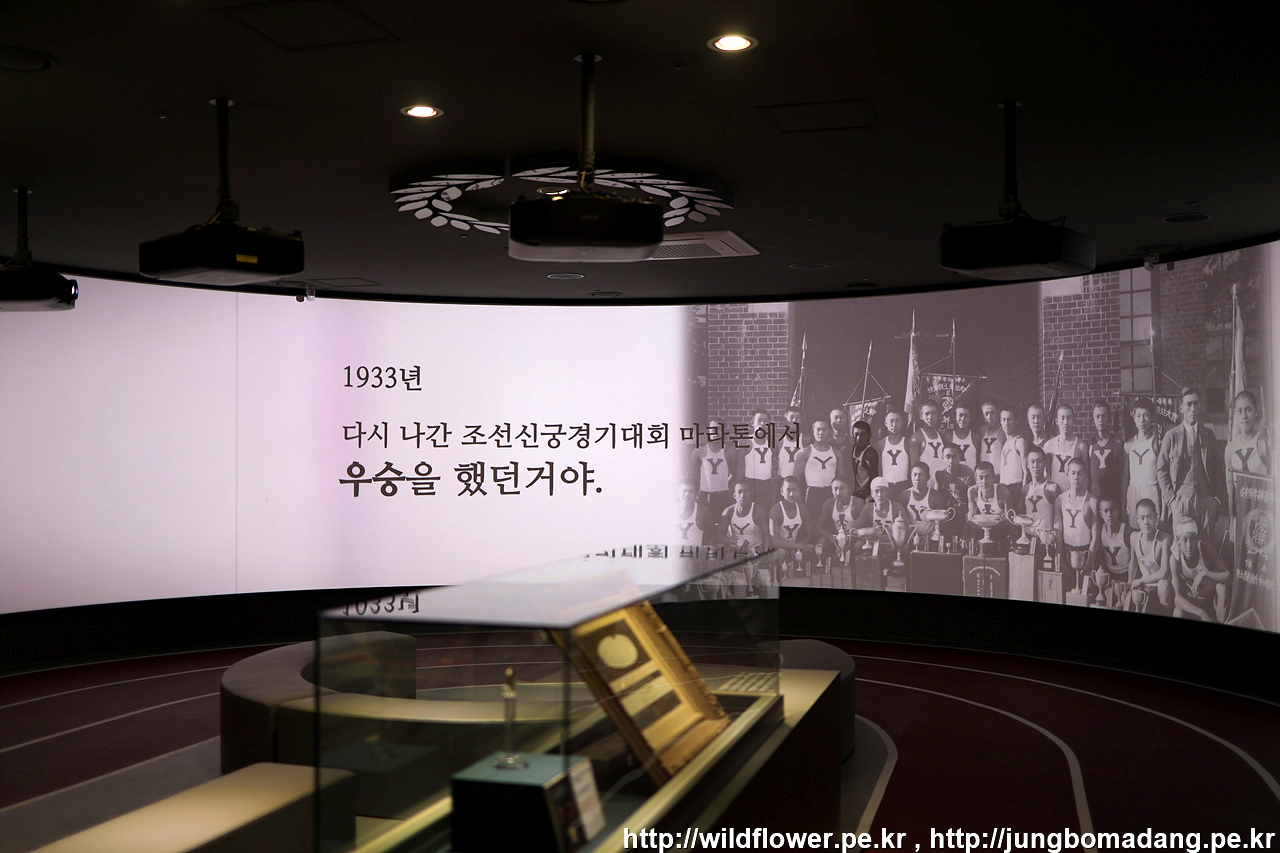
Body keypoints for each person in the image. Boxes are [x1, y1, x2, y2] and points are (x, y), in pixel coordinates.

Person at [1156, 387, 1225, 536]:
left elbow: (1218, 470)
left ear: (1200, 406)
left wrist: (1216, 500)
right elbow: (1161, 470)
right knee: (1182, 543)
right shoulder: (1171, 436)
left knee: (1206, 543)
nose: (1192, 409)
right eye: (1188, 404)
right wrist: (1171, 499)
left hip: (1206, 500)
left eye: (1196, 404)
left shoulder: (1208, 435)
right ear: (1181, 408)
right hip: (1181, 500)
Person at [1169, 517, 1231, 622]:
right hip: (1193, 601)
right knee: (1178, 612)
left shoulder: (1204, 548)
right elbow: (1177, 598)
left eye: (1192, 539)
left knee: (1221, 588)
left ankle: (1221, 621)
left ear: (1197, 539)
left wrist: (1205, 573)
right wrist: (1201, 613)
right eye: (1185, 540)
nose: (1189, 545)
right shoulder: (1175, 559)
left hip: (1210, 598)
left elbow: (1227, 575)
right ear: (1178, 541)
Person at [689, 418, 741, 539]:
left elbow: (735, 473)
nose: (716, 432)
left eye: (719, 429)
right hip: (704, 497)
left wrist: (728, 487)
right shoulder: (699, 451)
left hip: (723, 497)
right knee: (706, 532)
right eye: (713, 429)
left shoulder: (729, 451)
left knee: (721, 532)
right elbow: (693, 475)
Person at [1054, 457, 1098, 592]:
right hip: (1066, 553)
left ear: (1085, 476)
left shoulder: (1092, 501)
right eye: (1073, 473)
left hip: (1085, 554)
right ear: (1067, 475)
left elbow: (1095, 537)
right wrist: (1060, 559)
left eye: (1080, 473)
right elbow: (1057, 533)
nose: (1076, 477)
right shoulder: (1060, 500)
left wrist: (1089, 563)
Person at [1225, 389, 1270, 520]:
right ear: (1235, 415)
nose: (1244, 415)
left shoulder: (1264, 444)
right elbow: (1230, 486)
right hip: (1240, 512)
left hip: (1262, 512)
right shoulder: (1230, 448)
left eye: (1248, 410)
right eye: (1239, 411)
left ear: (1256, 412)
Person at [1122, 397, 1163, 525]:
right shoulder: (1128, 445)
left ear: (1152, 417)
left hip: (1151, 491)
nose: (1142, 420)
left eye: (1146, 415)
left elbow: (1163, 477)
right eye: (1138, 416)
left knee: (1152, 528)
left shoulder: (1157, 444)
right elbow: (1125, 477)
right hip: (1134, 492)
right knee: (1135, 528)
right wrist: (1123, 502)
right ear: (1134, 418)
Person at [795, 420, 847, 519]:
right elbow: (797, 477)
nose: (821, 432)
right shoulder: (805, 452)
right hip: (812, 493)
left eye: (824, 429)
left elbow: (842, 478)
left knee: (829, 522)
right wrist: (798, 499)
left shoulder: (836, 453)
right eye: (818, 429)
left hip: (830, 492)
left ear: (829, 431)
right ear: (813, 431)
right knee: (812, 522)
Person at [1127, 498, 1172, 611]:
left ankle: (1164, 611)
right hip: (1144, 584)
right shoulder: (1134, 537)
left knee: (1163, 585)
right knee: (1127, 596)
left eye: (1150, 517)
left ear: (1156, 517)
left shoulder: (1164, 539)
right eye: (1142, 518)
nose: (1146, 522)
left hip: (1160, 585)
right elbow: (1133, 562)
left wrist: (1141, 581)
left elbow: (1164, 572)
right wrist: (1130, 580)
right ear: (1137, 519)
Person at [770, 476, 817, 573]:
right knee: (780, 553)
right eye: (788, 490)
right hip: (780, 548)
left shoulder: (802, 509)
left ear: (799, 491)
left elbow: (809, 535)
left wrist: (800, 546)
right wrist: (797, 546)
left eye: (795, 490)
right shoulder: (776, 510)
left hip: (795, 546)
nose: (791, 494)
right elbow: (774, 541)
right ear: (782, 491)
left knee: (812, 549)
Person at [1093, 496, 1131, 608]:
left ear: (1118, 511)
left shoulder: (1127, 532)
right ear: (1101, 513)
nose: (1109, 514)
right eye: (1106, 511)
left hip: (1125, 575)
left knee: (1124, 601)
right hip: (1110, 576)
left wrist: (1130, 581)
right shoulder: (1100, 530)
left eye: (1112, 510)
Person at [1043, 404, 1089, 495]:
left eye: (1069, 418)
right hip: (1054, 496)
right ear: (1057, 421)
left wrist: (1081, 498)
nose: (1066, 422)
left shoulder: (1081, 446)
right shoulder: (1049, 445)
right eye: (1062, 418)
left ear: (1073, 420)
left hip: (1074, 495)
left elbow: (1086, 476)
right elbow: (1046, 475)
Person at [967, 461, 1013, 547]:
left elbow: (1009, 518)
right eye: (980, 478)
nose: (984, 481)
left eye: (987, 477)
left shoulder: (1003, 492)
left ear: (993, 478)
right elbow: (971, 516)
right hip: (982, 530)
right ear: (976, 479)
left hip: (1000, 530)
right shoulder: (972, 491)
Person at [1088, 401, 1124, 507]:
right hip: (1095, 499)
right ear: (1093, 419)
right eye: (1097, 416)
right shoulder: (1090, 444)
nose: (1100, 420)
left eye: (1103, 416)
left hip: (1113, 500)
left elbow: (1122, 474)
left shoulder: (1117, 443)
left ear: (1108, 418)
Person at [934, 444, 972, 539]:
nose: (951, 461)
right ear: (942, 457)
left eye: (954, 457)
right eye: (948, 457)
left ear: (960, 457)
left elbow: (973, 502)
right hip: (948, 510)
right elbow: (936, 497)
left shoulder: (968, 474)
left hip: (964, 511)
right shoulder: (939, 474)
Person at [722, 481, 771, 554]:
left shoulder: (758, 511)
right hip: (736, 550)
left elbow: (767, 536)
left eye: (746, 492)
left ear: (751, 494)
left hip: (756, 550)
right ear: (734, 495)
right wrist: (733, 541)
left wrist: (765, 552)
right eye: (739, 492)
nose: (742, 495)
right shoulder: (729, 511)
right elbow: (719, 536)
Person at [903, 461, 947, 540]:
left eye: (921, 475)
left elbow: (941, 521)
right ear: (911, 476)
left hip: (930, 537)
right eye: (915, 475)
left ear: (928, 477)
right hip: (911, 537)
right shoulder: (904, 495)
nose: (917, 478)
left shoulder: (935, 496)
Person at [1022, 446, 1060, 535]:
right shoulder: (1025, 489)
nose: (1035, 466)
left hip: (1047, 538)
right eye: (1032, 462)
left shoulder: (1052, 488)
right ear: (1028, 465)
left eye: (1039, 461)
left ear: (1044, 463)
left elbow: (1059, 518)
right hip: (1029, 537)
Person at [877, 409, 914, 500]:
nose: (894, 425)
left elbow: (912, 466)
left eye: (897, 421)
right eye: (891, 421)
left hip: (904, 485)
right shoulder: (880, 444)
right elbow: (878, 469)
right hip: (887, 487)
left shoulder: (907, 443)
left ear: (902, 423)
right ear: (886, 423)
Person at [742, 408, 776, 504]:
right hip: (751, 484)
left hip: (766, 484)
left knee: (765, 509)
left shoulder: (771, 443)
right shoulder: (746, 442)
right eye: (759, 420)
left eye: (765, 421)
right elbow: (739, 467)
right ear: (752, 423)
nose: (762, 424)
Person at [998, 407, 1029, 510]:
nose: (1007, 423)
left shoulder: (1019, 442)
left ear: (1015, 421)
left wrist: (1022, 497)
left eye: (1010, 419)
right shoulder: (1005, 443)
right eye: (1004, 419)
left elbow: (1026, 472)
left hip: (1016, 488)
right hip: (1003, 488)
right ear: (1000, 422)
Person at [911, 400, 948, 473]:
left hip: (941, 479)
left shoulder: (941, 436)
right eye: (927, 414)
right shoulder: (916, 438)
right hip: (925, 479)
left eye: (933, 413)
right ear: (921, 416)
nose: (930, 417)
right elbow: (914, 468)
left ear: (938, 416)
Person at [849, 419, 879, 501]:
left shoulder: (870, 453)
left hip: (865, 494)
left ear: (868, 436)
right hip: (855, 492)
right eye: (856, 434)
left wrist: (869, 496)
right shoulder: (853, 448)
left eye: (862, 435)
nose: (858, 438)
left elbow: (874, 477)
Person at [775, 406, 806, 484]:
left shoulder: (807, 440)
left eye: (798, 417)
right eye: (791, 417)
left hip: (800, 482)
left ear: (801, 420)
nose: (794, 420)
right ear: (786, 420)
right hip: (783, 481)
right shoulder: (778, 440)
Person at [676, 480, 710, 546]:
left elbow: (712, 536)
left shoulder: (703, 511)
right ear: (678, 492)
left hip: (695, 551)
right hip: (673, 551)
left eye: (691, 491)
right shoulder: (669, 510)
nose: (687, 494)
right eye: (684, 491)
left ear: (695, 494)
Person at [947, 403, 980, 468]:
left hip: (971, 473)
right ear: (955, 417)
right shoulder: (948, 437)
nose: (963, 419)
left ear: (970, 418)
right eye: (960, 415)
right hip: (954, 474)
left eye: (966, 416)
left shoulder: (976, 437)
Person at [979, 400, 1006, 467]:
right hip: (985, 471)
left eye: (992, 413)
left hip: (999, 471)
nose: (989, 417)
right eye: (986, 414)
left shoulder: (1004, 431)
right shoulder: (982, 431)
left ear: (998, 413)